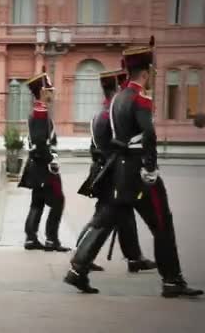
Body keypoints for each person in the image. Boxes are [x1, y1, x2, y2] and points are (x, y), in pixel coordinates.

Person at [65, 41, 203, 298]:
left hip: (120, 172)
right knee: (162, 223)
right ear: (147, 71)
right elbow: (148, 134)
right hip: (139, 173)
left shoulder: (118, 98)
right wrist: (150, 167)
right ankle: (172, 280)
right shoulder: (140, 98)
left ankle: (78, 269)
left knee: (106, 219)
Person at [76, 68, 156, 273]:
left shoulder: (101, 114)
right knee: (105, 217)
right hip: (113, 172)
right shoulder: (114, 113)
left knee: (123, 215)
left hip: (105, 170)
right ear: (119, 86)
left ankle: (134, 257)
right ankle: (80, 258)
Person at [18, 68, 70, 252]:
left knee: (38, 201)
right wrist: (51, 161)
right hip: (44, 167)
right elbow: (41, 142)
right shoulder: (40, 112)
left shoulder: (38, 110)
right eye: (49, 88)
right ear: (41, 91)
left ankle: (31, 239)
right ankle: (51, 240)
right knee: (58, 201)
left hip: (36, 165)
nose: (52, 91)